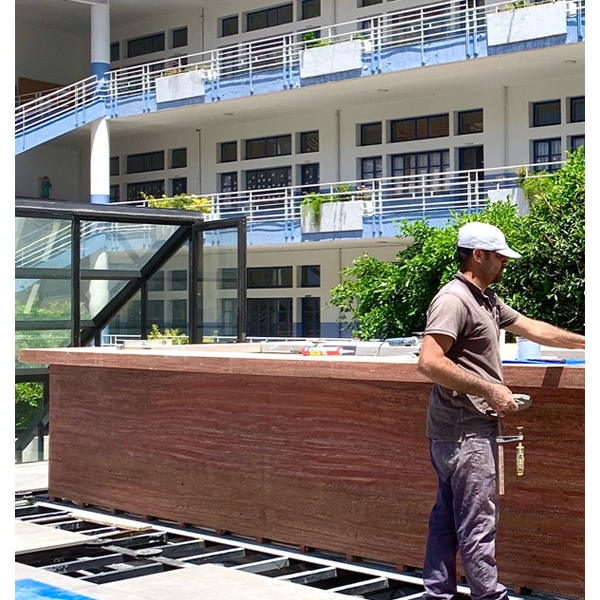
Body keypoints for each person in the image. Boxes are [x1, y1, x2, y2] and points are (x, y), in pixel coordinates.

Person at [416, 221, 585, 600]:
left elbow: (534, 329)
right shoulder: (454, 300)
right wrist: (490, 389)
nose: (505, 263)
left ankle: (437, 594)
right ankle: (488, 596)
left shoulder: (486, 300)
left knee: (447, 519)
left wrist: (588, 341)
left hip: (456, 431)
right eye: (499, 257)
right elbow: (429, 361)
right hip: (465, 432)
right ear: (478, 255)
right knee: (477, 521)